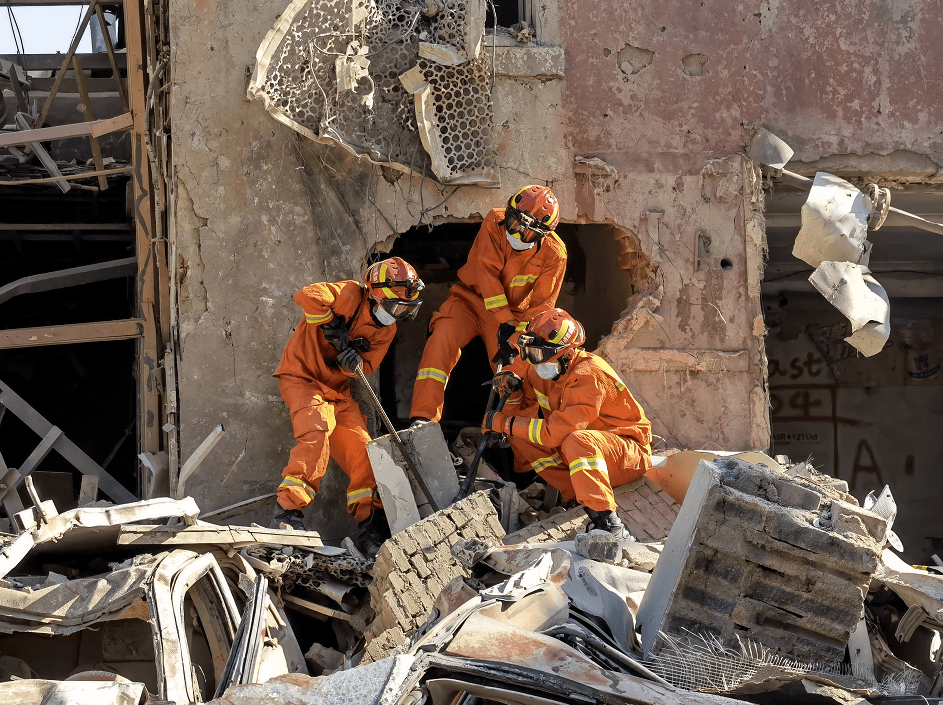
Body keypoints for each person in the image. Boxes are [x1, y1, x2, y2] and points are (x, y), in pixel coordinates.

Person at [271, 257, 424, 554]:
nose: (398, 314)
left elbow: (366, 368)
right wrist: (331, 323)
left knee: (364, 451)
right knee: (316, 436)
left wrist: (350, 361)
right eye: (395, 306)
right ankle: (287, 514)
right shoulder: (350, 294)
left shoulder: (387, 331)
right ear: (377, 295)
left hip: (337, 391)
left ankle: (369, 528)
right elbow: (306, 295)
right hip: (302, 378)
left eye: (405, 309)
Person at [483, 308, 652, 540]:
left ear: (565, 353)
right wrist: (512, 394)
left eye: (539, 354)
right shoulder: (540, 372)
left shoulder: (588, 375)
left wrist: (502, 422)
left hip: (626, 454)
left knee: (576, 440)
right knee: (522, 435)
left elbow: (556, 433)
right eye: (530, 352)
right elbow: (525, 413)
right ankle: (575, 495)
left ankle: (608, 523)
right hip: (589, 452)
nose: (534, 361)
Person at [409, 185, 567, 424]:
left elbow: (540, 308)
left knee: (513, 377)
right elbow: (487, 275)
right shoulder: (495, 220)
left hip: (516, 318)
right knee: (441, 339)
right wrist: (504, 321)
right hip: (470, 301)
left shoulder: (556, 255)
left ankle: (511, 438)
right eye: (514, 224)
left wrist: (513, 341)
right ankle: (422, 420)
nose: (515, 234)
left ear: (543, 235)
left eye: (526, 233)